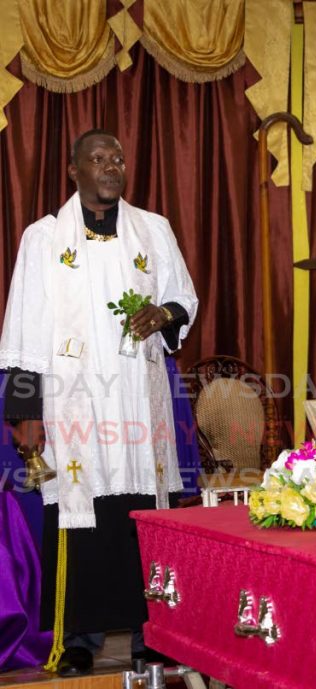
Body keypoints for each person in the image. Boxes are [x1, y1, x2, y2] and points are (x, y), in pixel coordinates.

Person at [0, 129, 198, 677]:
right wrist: (25, 413)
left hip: (137, 403)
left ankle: (148, 635)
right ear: (74, 171)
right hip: (74, 406)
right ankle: (79, 638)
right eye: (97, 159)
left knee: (141, 519)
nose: (111, 166)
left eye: (117, 158)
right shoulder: (43, 239)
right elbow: (22, 328)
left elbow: (185, 298)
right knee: (78, 517)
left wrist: (163, 315)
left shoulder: (153, 230)